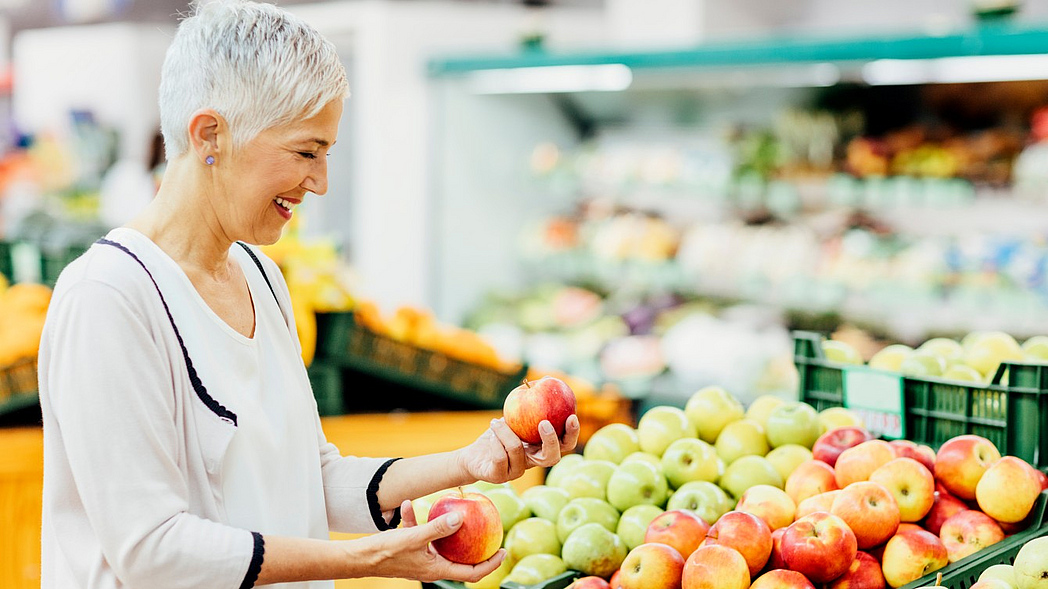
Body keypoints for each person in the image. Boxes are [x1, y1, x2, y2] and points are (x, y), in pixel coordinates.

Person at [37, 2, 580, 588]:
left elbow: (312, 478)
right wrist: (366, 561)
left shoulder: (262, 278)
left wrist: (467, 464)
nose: (319, 182)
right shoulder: (110, 298)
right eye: (306, 152)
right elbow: (152, 549)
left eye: (326, 155)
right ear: (209, 135)